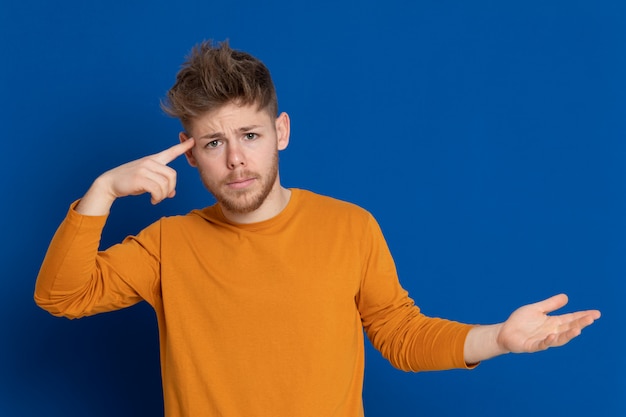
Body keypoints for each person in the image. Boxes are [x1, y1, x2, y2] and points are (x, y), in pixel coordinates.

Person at [34, 40, 600, 417]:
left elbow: (402, 337)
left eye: (249, 136)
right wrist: (103, 190)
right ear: (191, 158)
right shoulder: (167, 245)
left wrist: (498, 338)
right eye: (213, 143)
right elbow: (60, 296)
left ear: (281, 131)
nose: (235, 160)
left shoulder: (349, 227)